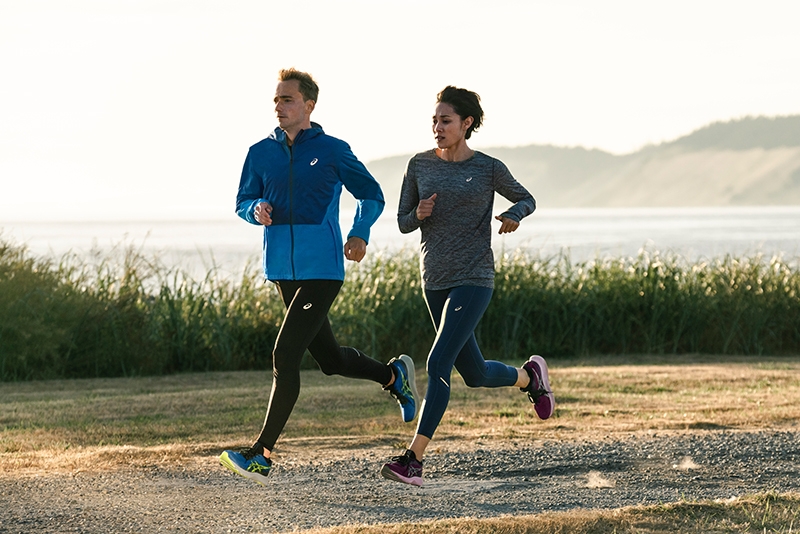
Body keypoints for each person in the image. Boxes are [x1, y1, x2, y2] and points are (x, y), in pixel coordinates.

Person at [220, 68, 418, 485]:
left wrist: (359, 233)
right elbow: (242, 200)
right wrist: (255, 209)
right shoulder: (260, 153)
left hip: (323, 270)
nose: (279, 107)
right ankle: (392, 375)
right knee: (328, 361)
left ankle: (261, 454)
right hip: (282, 271)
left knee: (284, 355)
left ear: (308, 105)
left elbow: (371, 193)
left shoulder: (332, 150)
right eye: (276, 100)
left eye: (287, 100)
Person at [380, 86, 555, 486]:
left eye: (446, 120)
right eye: (434, 120)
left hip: (474, 278)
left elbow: (526, 198)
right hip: (435, 280)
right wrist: (418, 213)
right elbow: (403, 220)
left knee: (438, 363)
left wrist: (513, 214)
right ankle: (530, 377)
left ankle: (413, 460)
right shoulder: (419, 165)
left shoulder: (489, 167)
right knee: (473, 373)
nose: (437, 127)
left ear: (466, 124)